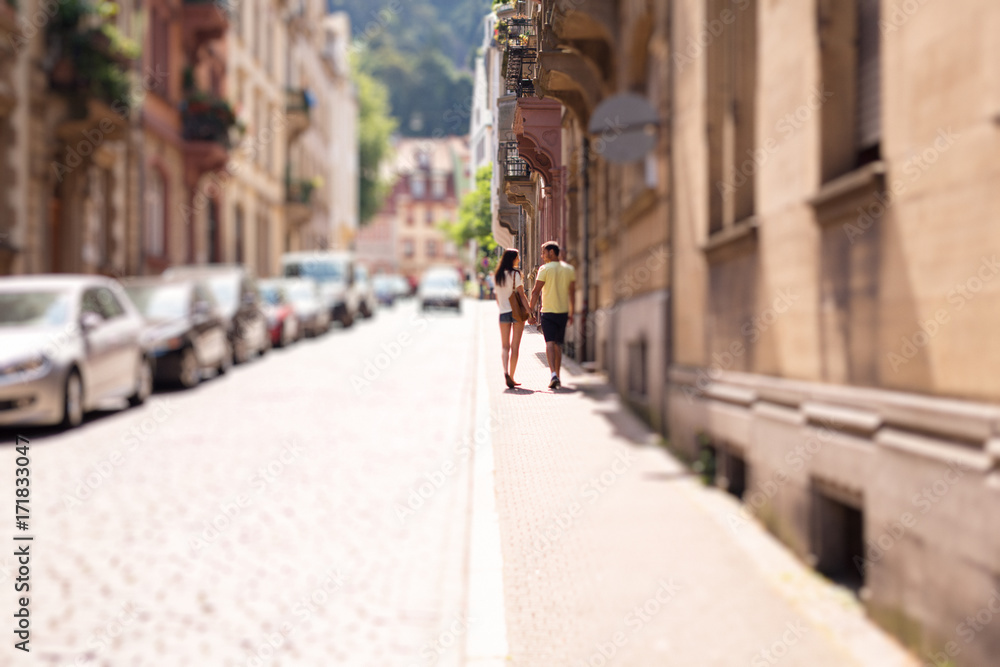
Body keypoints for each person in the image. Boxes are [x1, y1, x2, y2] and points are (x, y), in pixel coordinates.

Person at [528, 241, 576, 389]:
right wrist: (572, 312)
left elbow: (535, 291)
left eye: (543, 252)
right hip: (562, 312)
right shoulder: (568, 269)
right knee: (558, 345)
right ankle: (558, 376)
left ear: (551, 252)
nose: (542, 255)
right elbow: (572, 292)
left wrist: (530, 312)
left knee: (549, 343)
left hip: (548, 311)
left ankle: (553, 374)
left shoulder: (544, 269)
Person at [494, 248, 529, 389]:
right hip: (517, 313)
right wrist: (530, 312)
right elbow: (522, 296)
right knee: (515, 347)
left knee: (505, 346)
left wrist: (503, 306)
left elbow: (497, 297)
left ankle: (505, 372)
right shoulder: (516, 275)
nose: (519, 260)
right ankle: (512, 377)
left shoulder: (498, 275)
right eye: (517, 257)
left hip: (503, 313)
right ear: (513, 259)